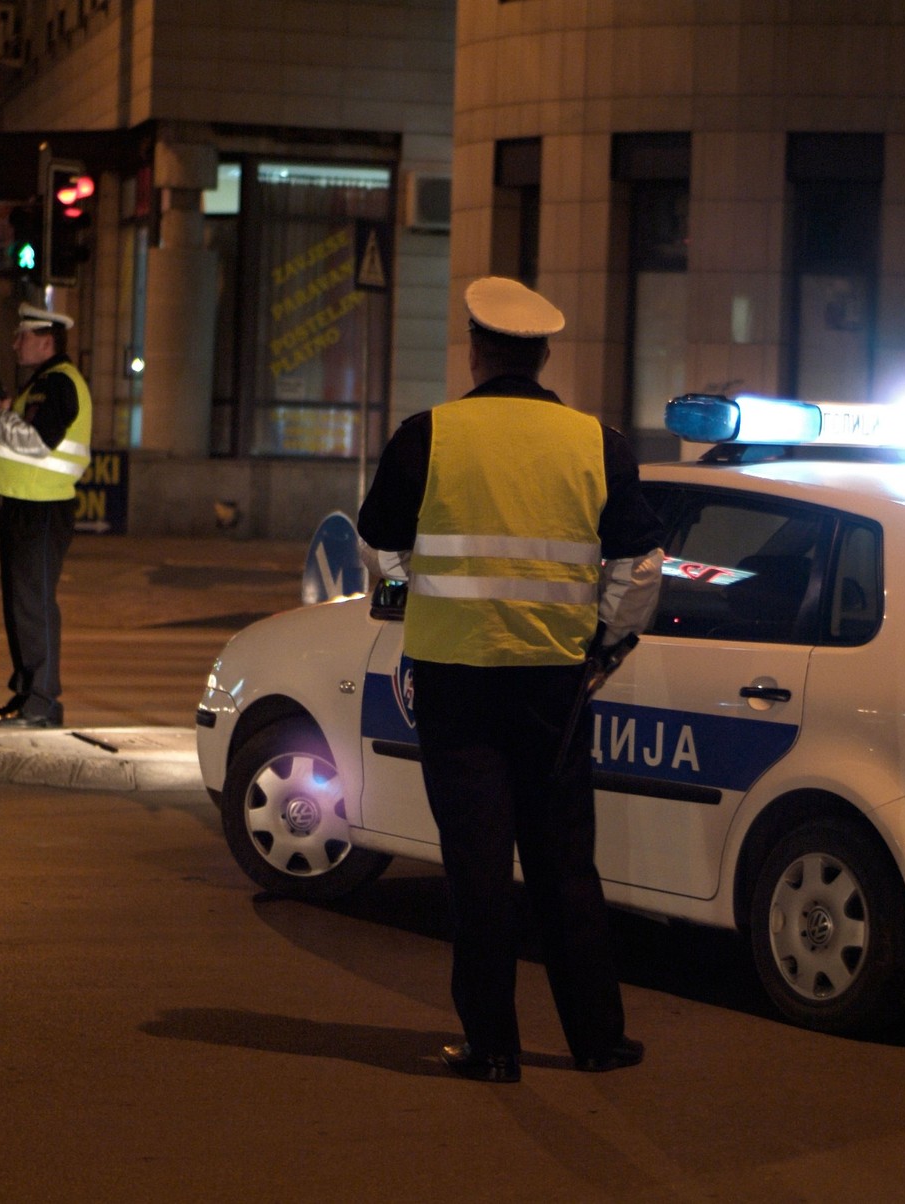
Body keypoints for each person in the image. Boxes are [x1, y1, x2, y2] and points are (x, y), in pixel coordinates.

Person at [358, 277, 665, 1083]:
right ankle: (596, 1040)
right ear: (543, 356)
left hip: (455, 684)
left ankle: (492, 1048)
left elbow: (379, 544)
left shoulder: (427, 436)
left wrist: (411, 600)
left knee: (478, 869)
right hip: (555, 685)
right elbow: (641, 566)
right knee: (565, 865)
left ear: (475, 350)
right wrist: (602, 645)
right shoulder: (596, 442)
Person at [0, 304, 92, 729]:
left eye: (22, 336)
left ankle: (41, 702)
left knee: (33, 605)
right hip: (25, 504)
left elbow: (37, 442)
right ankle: (27, 694)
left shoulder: (59, 382)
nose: (15, 344)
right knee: (20, 604)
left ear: (46, 341)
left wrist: (1, 416)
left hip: (42, 508)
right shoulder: (45, 382)